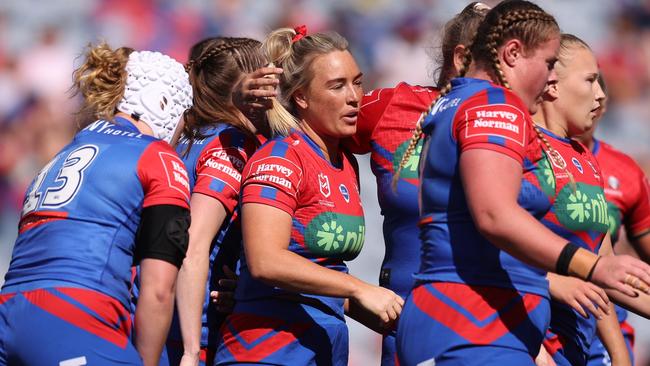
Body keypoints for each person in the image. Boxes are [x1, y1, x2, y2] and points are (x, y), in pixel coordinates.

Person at [395, 1, 650, 365]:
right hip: (473, 324)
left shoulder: (464, 101)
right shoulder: (494, 106)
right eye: (547, 65)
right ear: (512, 53)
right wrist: (590, 268)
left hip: (475, 323)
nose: (550, 80)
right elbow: (495, 215)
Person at [215, 26, 404, 365]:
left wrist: (394, 317)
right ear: (301, 97)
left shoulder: (346, 163)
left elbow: (320, 277)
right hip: (266, 350)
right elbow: (265, 261)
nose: (355, 97)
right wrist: (360, 289)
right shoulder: (280, 157)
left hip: (322, 347)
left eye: (357, 82)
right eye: (337, 85)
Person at [0, 43, 193, 365]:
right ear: (160, 102)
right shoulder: (157, 156)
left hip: (9, 312)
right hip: (73, 310)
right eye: (186, 113)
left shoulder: (61, 155)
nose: (185, 126)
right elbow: (159, 288)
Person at [346, 3, 490, 365]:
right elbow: (305, 136)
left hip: (492, 329)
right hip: (407, 327)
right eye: (503, 63)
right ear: (461, 58)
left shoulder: (519, 124)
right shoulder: (393, 106)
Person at [169, 36, 287, 366]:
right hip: (192, 333)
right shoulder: (229, 144)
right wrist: (192, 351)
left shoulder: (185, 141)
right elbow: (192, 245)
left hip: (156, 317)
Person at [530, 33, 630, 366]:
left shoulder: (585, 159)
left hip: (578, 350)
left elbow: (604, 267)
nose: (601, 95)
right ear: (553, 84)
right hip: (525, 343)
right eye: (590, 81)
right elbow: (486, 243)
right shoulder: (517, 147)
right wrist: (552, 283)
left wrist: (620, 356)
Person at [576, 76, 650, 366]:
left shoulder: (625, 171)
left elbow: (608, 256)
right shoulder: (526, 158)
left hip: (607, 323)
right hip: (543, 315)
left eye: (600, 93)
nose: (596, 100)